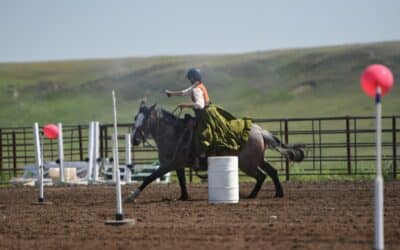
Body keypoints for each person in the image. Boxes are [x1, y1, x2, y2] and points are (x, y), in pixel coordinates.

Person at [165, 68, 252, 170]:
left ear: (193, 78)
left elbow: (200, 105)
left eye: (190, 78)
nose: (189, 80)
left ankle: (201, 159)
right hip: (207, 112)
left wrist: (185, 105)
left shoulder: (196, 89)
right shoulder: (196, 86)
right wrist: (171, 93)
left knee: (202, 135)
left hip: (205, 115)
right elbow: (184, 92)